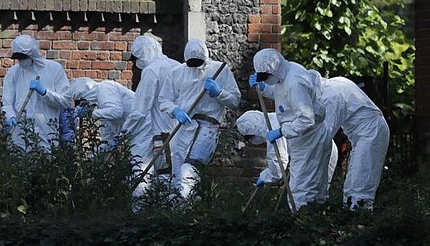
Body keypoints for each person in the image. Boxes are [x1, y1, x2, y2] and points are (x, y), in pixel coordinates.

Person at [249, 48, 333, 210]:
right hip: (304, 137)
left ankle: (301, 226)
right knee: (316, 189)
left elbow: (306, 118)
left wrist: (281, 131)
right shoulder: (286, 71)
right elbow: (282, 93)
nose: (266, 80)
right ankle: (318, 223)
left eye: (266, 77)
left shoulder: (295, 83)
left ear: (275, 70)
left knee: (300, 189)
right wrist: (264, 87)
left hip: (309, 138)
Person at [158, 38, 240, 199]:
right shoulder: (177, 72)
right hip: (182, 128)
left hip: (207, 128)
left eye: (198, 62)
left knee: (190, 169)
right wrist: (175, 111)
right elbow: (164, 99)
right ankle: (181, 211)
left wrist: (219, 92)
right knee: (177, 169)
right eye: (192, 62)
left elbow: (235, 101)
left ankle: (183, 205)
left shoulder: (220, 71)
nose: (195, 66)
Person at [320, 75, 390, 211]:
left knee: (361, 182)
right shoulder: (336, 83)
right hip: (366, 134)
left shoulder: (331, 94)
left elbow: (326, 133)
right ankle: (351, 215)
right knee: (354, 180)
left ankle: (359, 220)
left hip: (370, 133)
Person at [122, 35, 180, 190]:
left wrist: (125, 132)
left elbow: (140, 110)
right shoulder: (177, 65)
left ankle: (152, 210)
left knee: (162, 173)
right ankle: (182, 210)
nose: (136, 63)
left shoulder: (151, 71)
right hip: (182, 131)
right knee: (179, 174)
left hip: (162, 132)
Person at [2, 34, 72, 151]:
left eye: (23, 58)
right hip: (20, 131)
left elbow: (65, 101)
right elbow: (7, 102)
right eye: (18, 58)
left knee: (45, 164)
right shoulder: (13, 73)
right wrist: (10, 117)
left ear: (33, 54)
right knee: (19, 164)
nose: (21, 62)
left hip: (46, 130)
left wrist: (45, 93)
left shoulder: (54, 69)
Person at [70, 77, 135, 152]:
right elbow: (108, 137)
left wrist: (92, 113)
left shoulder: (105, 88)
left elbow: (116, 112)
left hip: (142, 122)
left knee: (140, 157)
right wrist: (96, 158)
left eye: (83, 101)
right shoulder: (102, 106)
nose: (84, 105)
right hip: (133, 127)